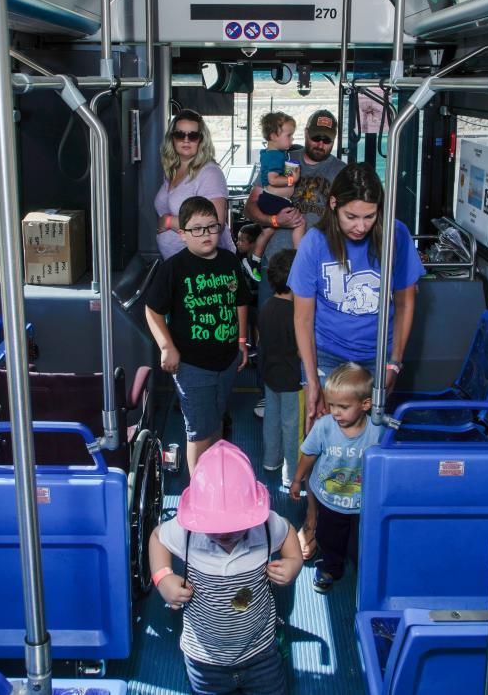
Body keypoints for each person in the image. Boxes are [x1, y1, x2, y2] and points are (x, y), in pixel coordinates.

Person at [287, 163, 425, 557]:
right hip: (328, 351)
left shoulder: (395, 236)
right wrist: (312, 379)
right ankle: (313, 520)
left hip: (375, 355)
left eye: (369, 216)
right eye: (351, 216)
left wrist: (395, 361)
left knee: (371, 438)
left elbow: (405, 301)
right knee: (320, 438)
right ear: (334, 205)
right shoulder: (316, 243)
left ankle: (366, 516)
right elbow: (303, 316)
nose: (361, 226)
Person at [149, 440, 302, 695]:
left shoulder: (263, 526)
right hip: (203, 658)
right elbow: (157, 538)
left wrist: (294, 562)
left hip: (260, 651)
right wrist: (163, 577)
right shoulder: (187, 531)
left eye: (234, 524)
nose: (225, 533)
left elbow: (287, 532)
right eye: (216, 525)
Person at [145, 196, 250, 475]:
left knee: (214, 422)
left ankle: (212, 477)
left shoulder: (229, 261)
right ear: (182, 234)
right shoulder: (174, 269)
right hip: (192, 366)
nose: (205, 234)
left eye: (211, 227)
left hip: (226, 361)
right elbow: (153, 310)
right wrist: (167, 347)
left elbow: (240, 301)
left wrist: (241, 341)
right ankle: (199, 491)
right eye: (196, 228)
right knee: (198, 433)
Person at [289, 363, 382, 593]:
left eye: (343, 407)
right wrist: (297, 479)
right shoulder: (324, 427)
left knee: (363, 543)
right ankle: (330, 567)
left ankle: (367, 573)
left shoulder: (377, 431)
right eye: (331, 405)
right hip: (330, 499)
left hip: (363, 503)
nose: (335, 412)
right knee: (329, 537)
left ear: (365, 404)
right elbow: (309, 454)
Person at [245, 109, 347, 312]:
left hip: (317, 266)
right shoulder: (283, 158)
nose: (320, 144)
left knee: (310, 333)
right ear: (307, 133)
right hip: (274, 263)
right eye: (316, 137)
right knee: (270, 329)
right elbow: (250, 206)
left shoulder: (341, 171)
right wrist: (274, 220)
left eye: (326, 140)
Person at [155, 109, 236, 259]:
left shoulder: (209, 173)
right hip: (178, 265)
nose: (186, 140)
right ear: (172, 139)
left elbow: (215, 224)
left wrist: (168, 221)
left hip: (205, 267)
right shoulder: (173, 170)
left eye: (192, 136)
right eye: (180, 135)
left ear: (201, 140)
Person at [259, 249, 302, 489]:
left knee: (271, 421)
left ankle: (270, 461)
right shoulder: (296, 314)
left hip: (270, 375)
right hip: (292, 379)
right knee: (292, 426)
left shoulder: (266, 306)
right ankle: (292, 475)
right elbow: (299, 349)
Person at [245, 112, 304, 280]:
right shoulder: (275, 156)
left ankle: (254, 260)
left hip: (270, 199)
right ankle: (299, 258)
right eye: (289, 135)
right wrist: (293, 178)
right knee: (299, 223)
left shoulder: (272, 154)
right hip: (274, 199)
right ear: (273, 136)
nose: (292, 139)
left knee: (268, 230)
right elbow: (273, 179)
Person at [235, 223, 263, 301]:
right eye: (238, 239)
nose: (237, 243)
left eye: (241, 240)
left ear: (254, 243)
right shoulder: (245, 260)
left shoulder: (251, 263)